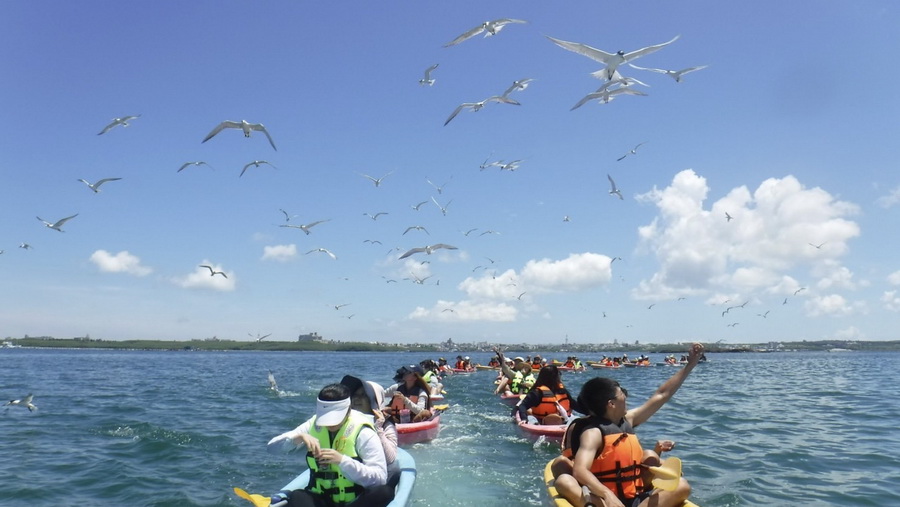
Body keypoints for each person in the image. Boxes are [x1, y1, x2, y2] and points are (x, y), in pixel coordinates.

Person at [552, 343, 705, 507]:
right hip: (604, 500)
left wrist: (691, 364)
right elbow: (580, 470)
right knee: (564, 481)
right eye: (621, 394)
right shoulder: (593, 432)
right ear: (611, 404)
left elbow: (662, 395)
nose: (625, 396)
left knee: (682, 485)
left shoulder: (628, 420)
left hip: (634, 499)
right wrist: (607, 495)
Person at [266, 383, 389, 507]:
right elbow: (272, 448)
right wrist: (297, 438)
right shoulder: (313, 424)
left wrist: (342, 461)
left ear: (348, 409)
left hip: (355, 501)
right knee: (298, 495)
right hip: (322, 499)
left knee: (384, 492)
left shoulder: (364, 432)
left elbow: (379, 478)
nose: (330, 424)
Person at [340, 375, 399, 485]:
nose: (356, 398)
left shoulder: (386, 425)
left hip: (372, 480)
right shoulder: (344, 423)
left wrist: (378, 427)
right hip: (349, 476)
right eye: (355, 395)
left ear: (374, 400)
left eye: (363, 395)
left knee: (395, 470)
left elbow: (390, 459)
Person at [515, 365, 584, 425]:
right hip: (542, 422)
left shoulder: (562, 391)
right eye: (558, 375)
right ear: (555, 377)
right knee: (530, 417)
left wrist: (589, 413)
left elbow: (575, 405)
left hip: (564, 420)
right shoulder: (537, 393)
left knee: (576, 419)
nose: (559, 377)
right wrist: (524, 419)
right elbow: (523, 406)